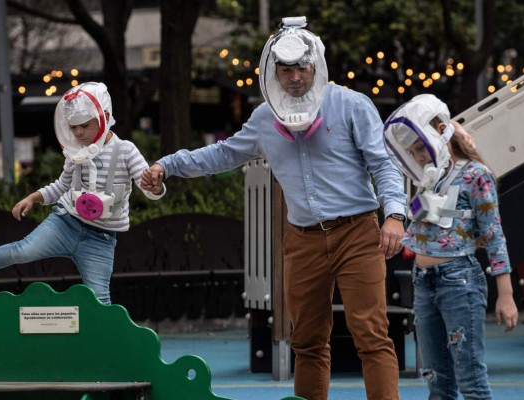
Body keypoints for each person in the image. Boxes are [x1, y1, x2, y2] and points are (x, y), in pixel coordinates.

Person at [142, 16, 406, 400]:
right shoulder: (265, 118)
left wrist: (395, 214)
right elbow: (223, 154)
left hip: (357, 232)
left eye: (302, 66)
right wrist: (168, 165)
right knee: (307, 340)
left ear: (316, 65)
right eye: (286, 69)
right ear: (273, 71)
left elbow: (383, 163)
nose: (296, 76)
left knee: (371, 334)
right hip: (302, 238)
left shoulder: (351, 105)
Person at [0, 82, 165, 305]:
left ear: (105, 116)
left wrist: (155, 188)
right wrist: (33, 197)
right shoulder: (74, 152)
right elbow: (61, 185)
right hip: (65, 222)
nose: (78, 132)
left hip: (101, 238)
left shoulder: (126, 150)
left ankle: (103, 340)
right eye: (73, 127)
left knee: (100, 301)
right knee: (22, 251)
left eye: (84, 125)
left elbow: (145, 183)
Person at [383, 94, 518, 399]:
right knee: (436, 380)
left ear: (440, 133)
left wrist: (506, 294)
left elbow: (494, 234)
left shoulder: (476, 175)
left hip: (459, 281)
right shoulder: (429, 181)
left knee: (470, 379)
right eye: (413, 151)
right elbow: (422, 228)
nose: (419, 157)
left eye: (422, 148)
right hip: (424, 282)